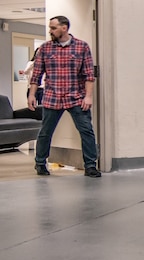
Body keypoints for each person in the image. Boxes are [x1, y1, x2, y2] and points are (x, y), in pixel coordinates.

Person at [27, 15, 101, 178]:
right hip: (52, 96)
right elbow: (37, 74)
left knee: (86, 131)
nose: (50, 31)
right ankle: (40, 163)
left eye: (53, 28)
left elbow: (89, 75)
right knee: (46, 131)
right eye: (50, 28)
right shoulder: (45, 49)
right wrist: (32, 94)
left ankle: (90, 166)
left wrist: (88, 97)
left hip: (76, 97)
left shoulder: (82, 47)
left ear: (64, 28)